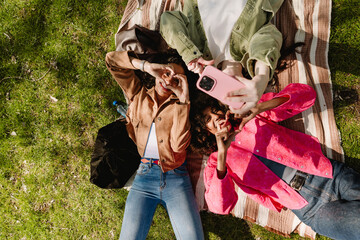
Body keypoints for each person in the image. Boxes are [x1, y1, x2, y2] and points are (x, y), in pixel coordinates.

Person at [189, 83, 360, 240]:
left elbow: (306, 95)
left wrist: (259, 107)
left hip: (327, 174)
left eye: (214, 111)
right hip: (310, 207)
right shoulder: (216, 162)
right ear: (205, 131)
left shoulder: (249, 118)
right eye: (208, 120)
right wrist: (222, 155)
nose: (216, 117)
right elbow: (220, 207)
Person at [105, 50, 204, 240]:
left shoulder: (180, 106)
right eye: (166, 73)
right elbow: (111, 61)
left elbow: (178, 147)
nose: (168, 81)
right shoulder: (137, 94)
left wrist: (183, 101)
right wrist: (147, 66)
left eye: (176, 79)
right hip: (143, 178)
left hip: (177, 179)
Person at [160, 0, 284, 116]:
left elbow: (168, 19)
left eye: (225, 94)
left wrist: (189, 54)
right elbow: (269, 38)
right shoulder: (251, 49)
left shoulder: (195, 49)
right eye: (239, 94)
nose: (230, 89)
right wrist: (262, 77)